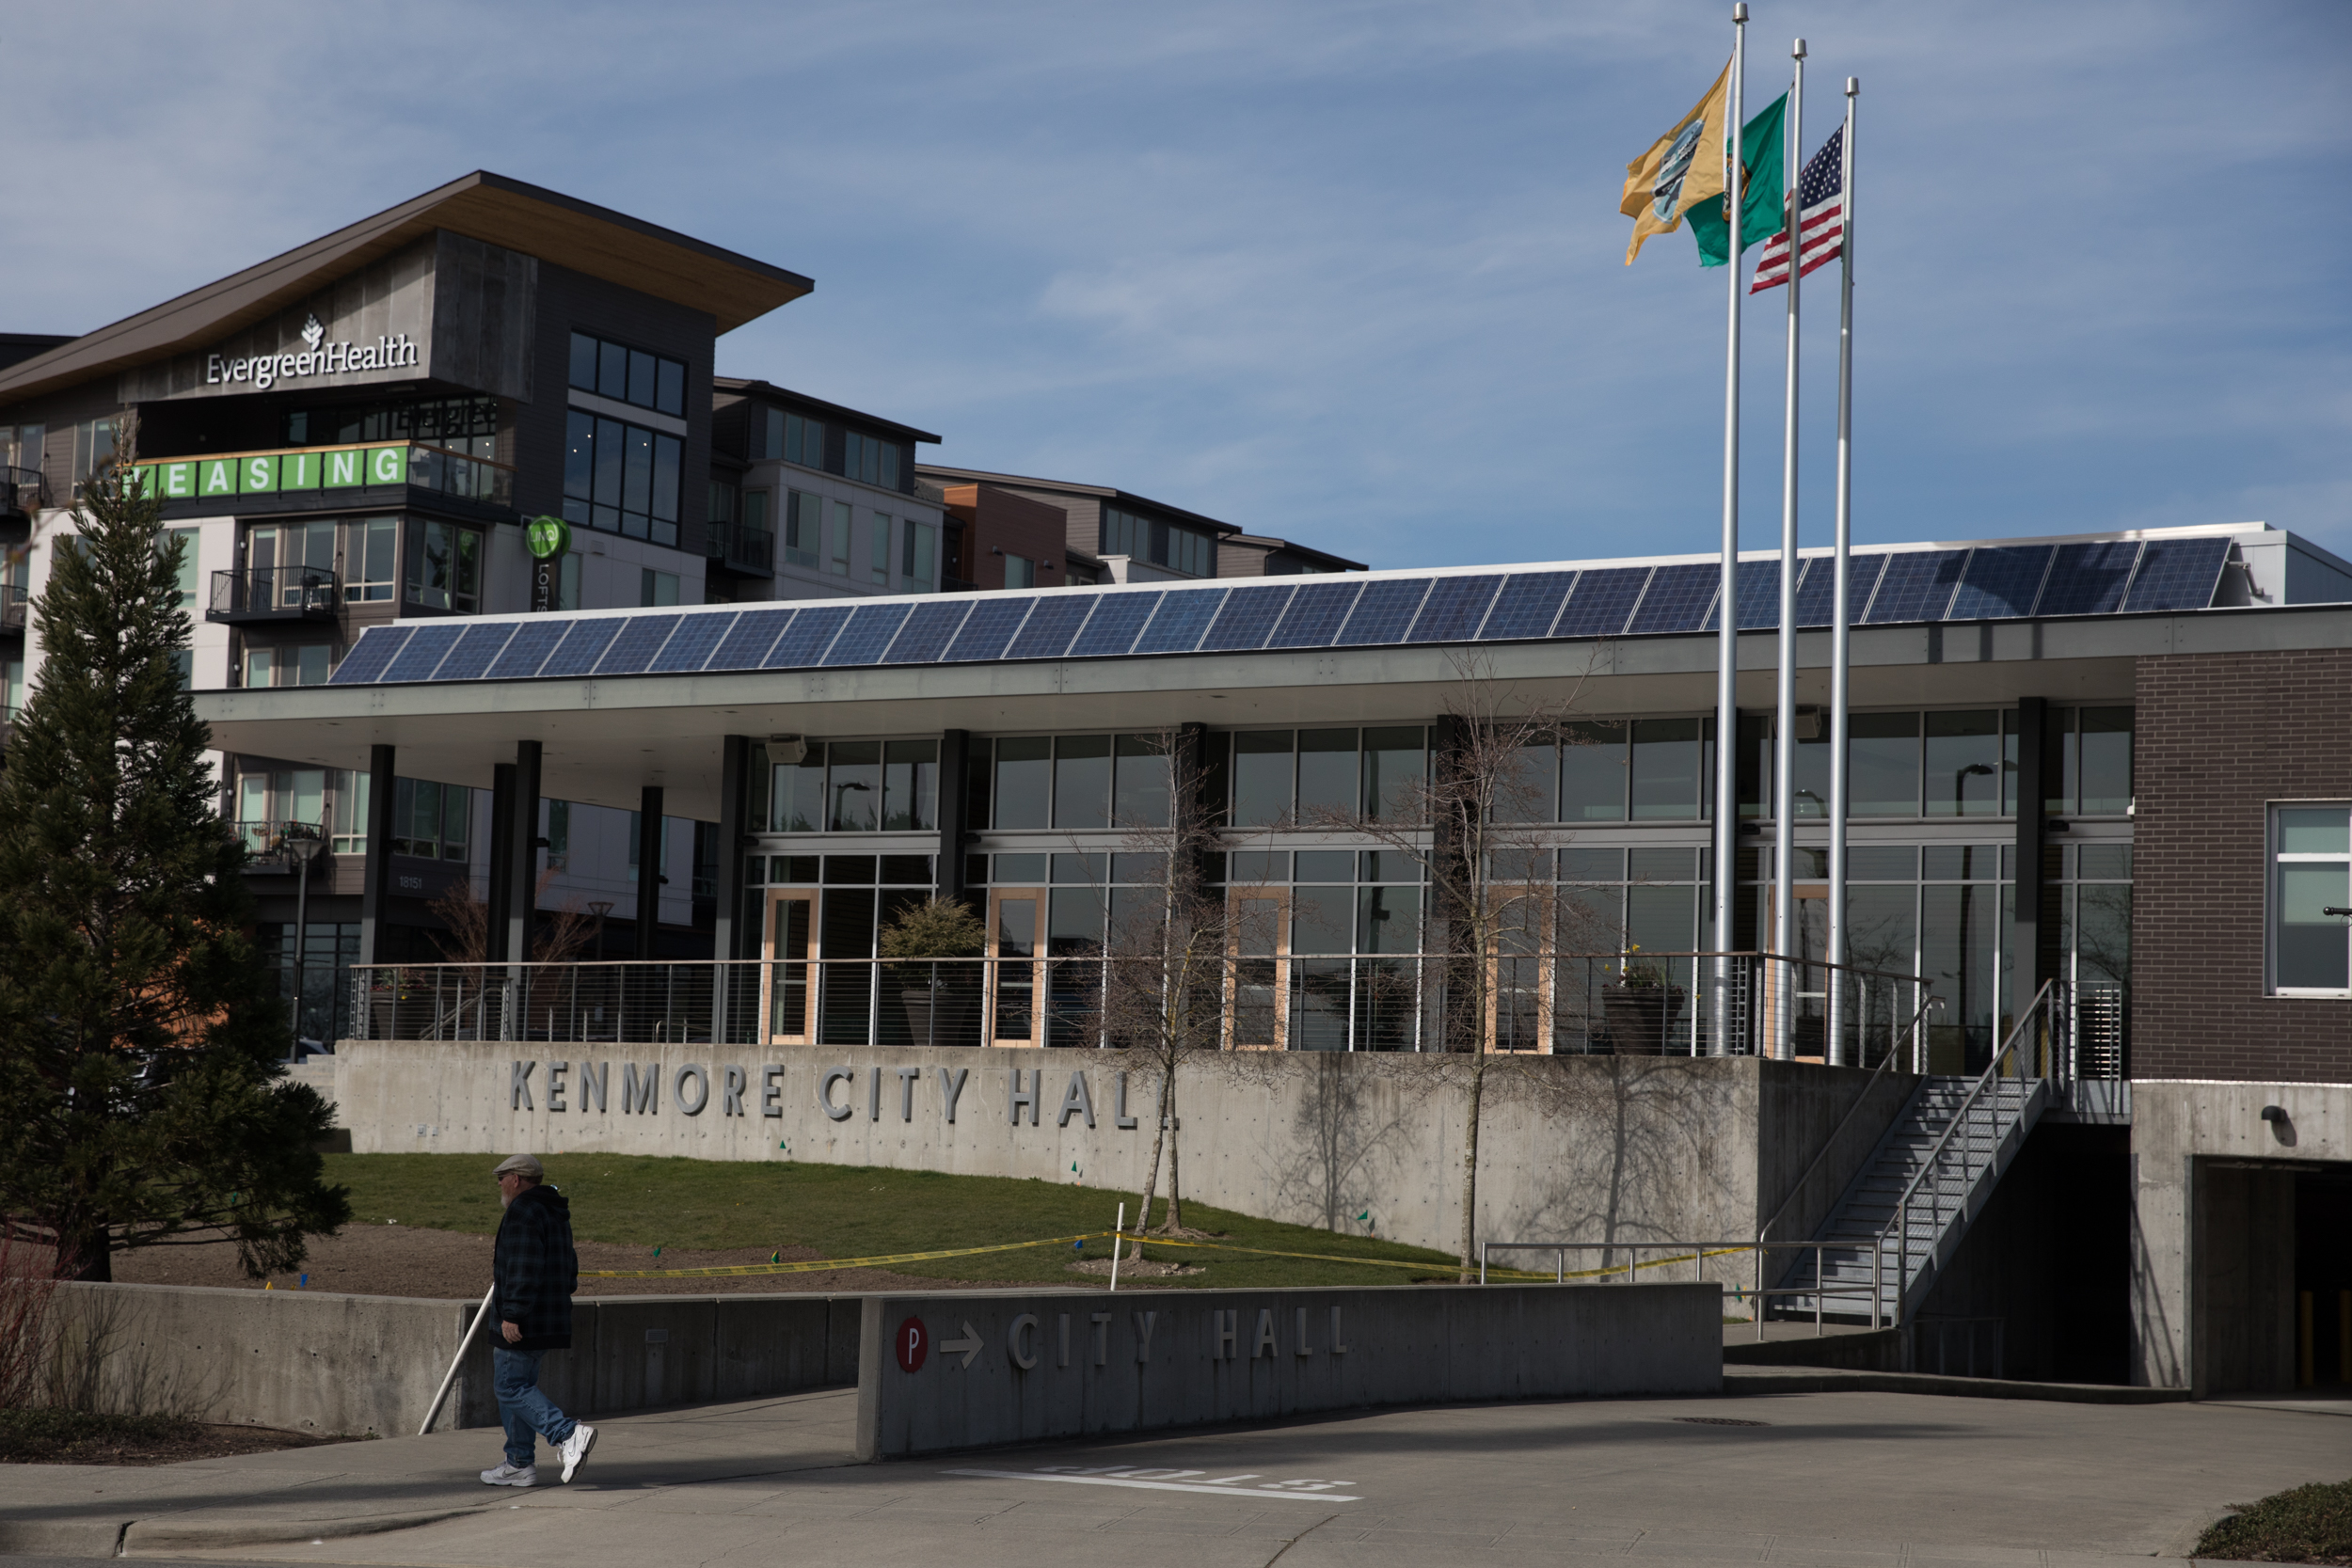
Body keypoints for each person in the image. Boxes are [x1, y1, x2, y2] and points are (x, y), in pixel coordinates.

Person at [478, 1153, 596, 1487]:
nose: (499, 1184)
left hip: (524, 1318)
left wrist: (512, 1314)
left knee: (510, 1386)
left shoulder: (523, 1211)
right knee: (518, 1387)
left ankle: (567, 1433)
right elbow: (569, 1269)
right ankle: (519, 1463)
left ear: (516, 1179)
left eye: (501, 1177)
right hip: (549, 1317)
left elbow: (522, 1267)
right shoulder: (555, 1211)